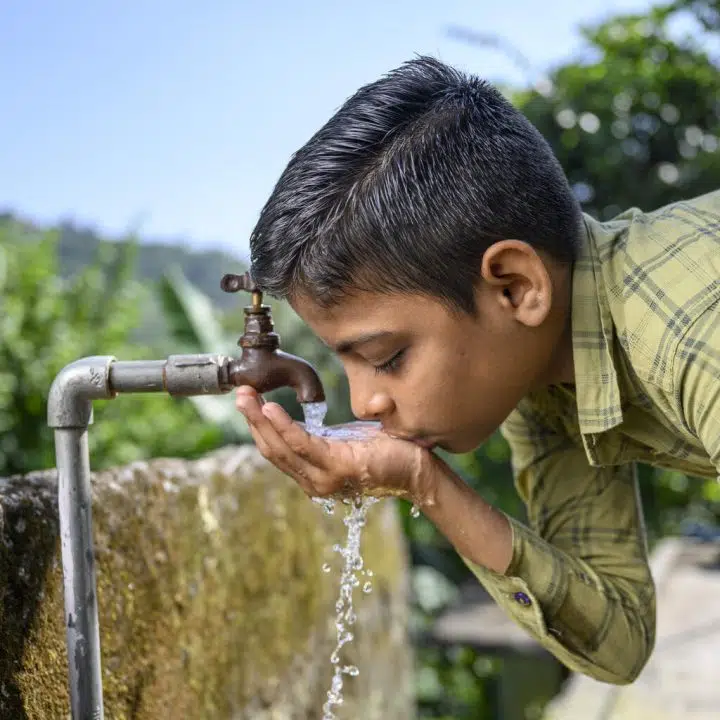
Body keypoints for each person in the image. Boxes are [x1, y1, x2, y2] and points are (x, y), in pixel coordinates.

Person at [234, 55, 720, 685]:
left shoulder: (689, 328)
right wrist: (422, 481)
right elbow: (617, 640)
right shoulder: (546, 376)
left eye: (388, 358)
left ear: (516, 286)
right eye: (346, 362)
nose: (365, 404)